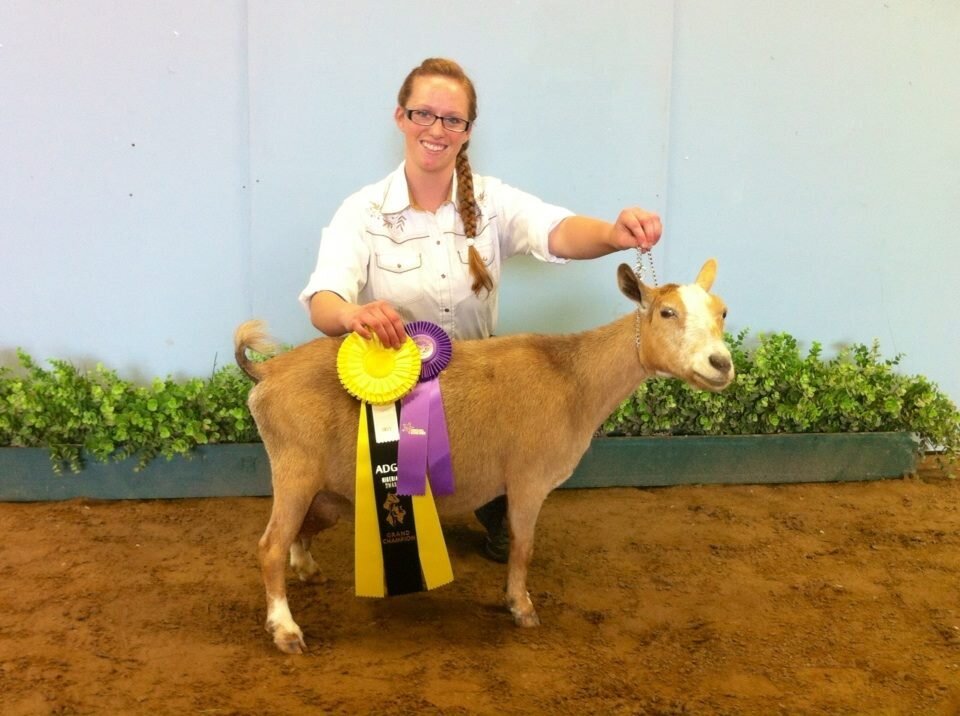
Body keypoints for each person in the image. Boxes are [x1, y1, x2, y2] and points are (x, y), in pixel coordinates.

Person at [300, 58, 662, 563]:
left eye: (453, 120)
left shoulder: (491, 201)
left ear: (467, 132)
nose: (437, 129)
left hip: (482, 394)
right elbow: (323, 299)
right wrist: (350, 316)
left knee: (504, 490)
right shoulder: (362, 211)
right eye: (423, 113)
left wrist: (611, 234)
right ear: (400, 117)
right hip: (399, 395)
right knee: (397, 546)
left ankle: (488, 506)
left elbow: (554, 230)